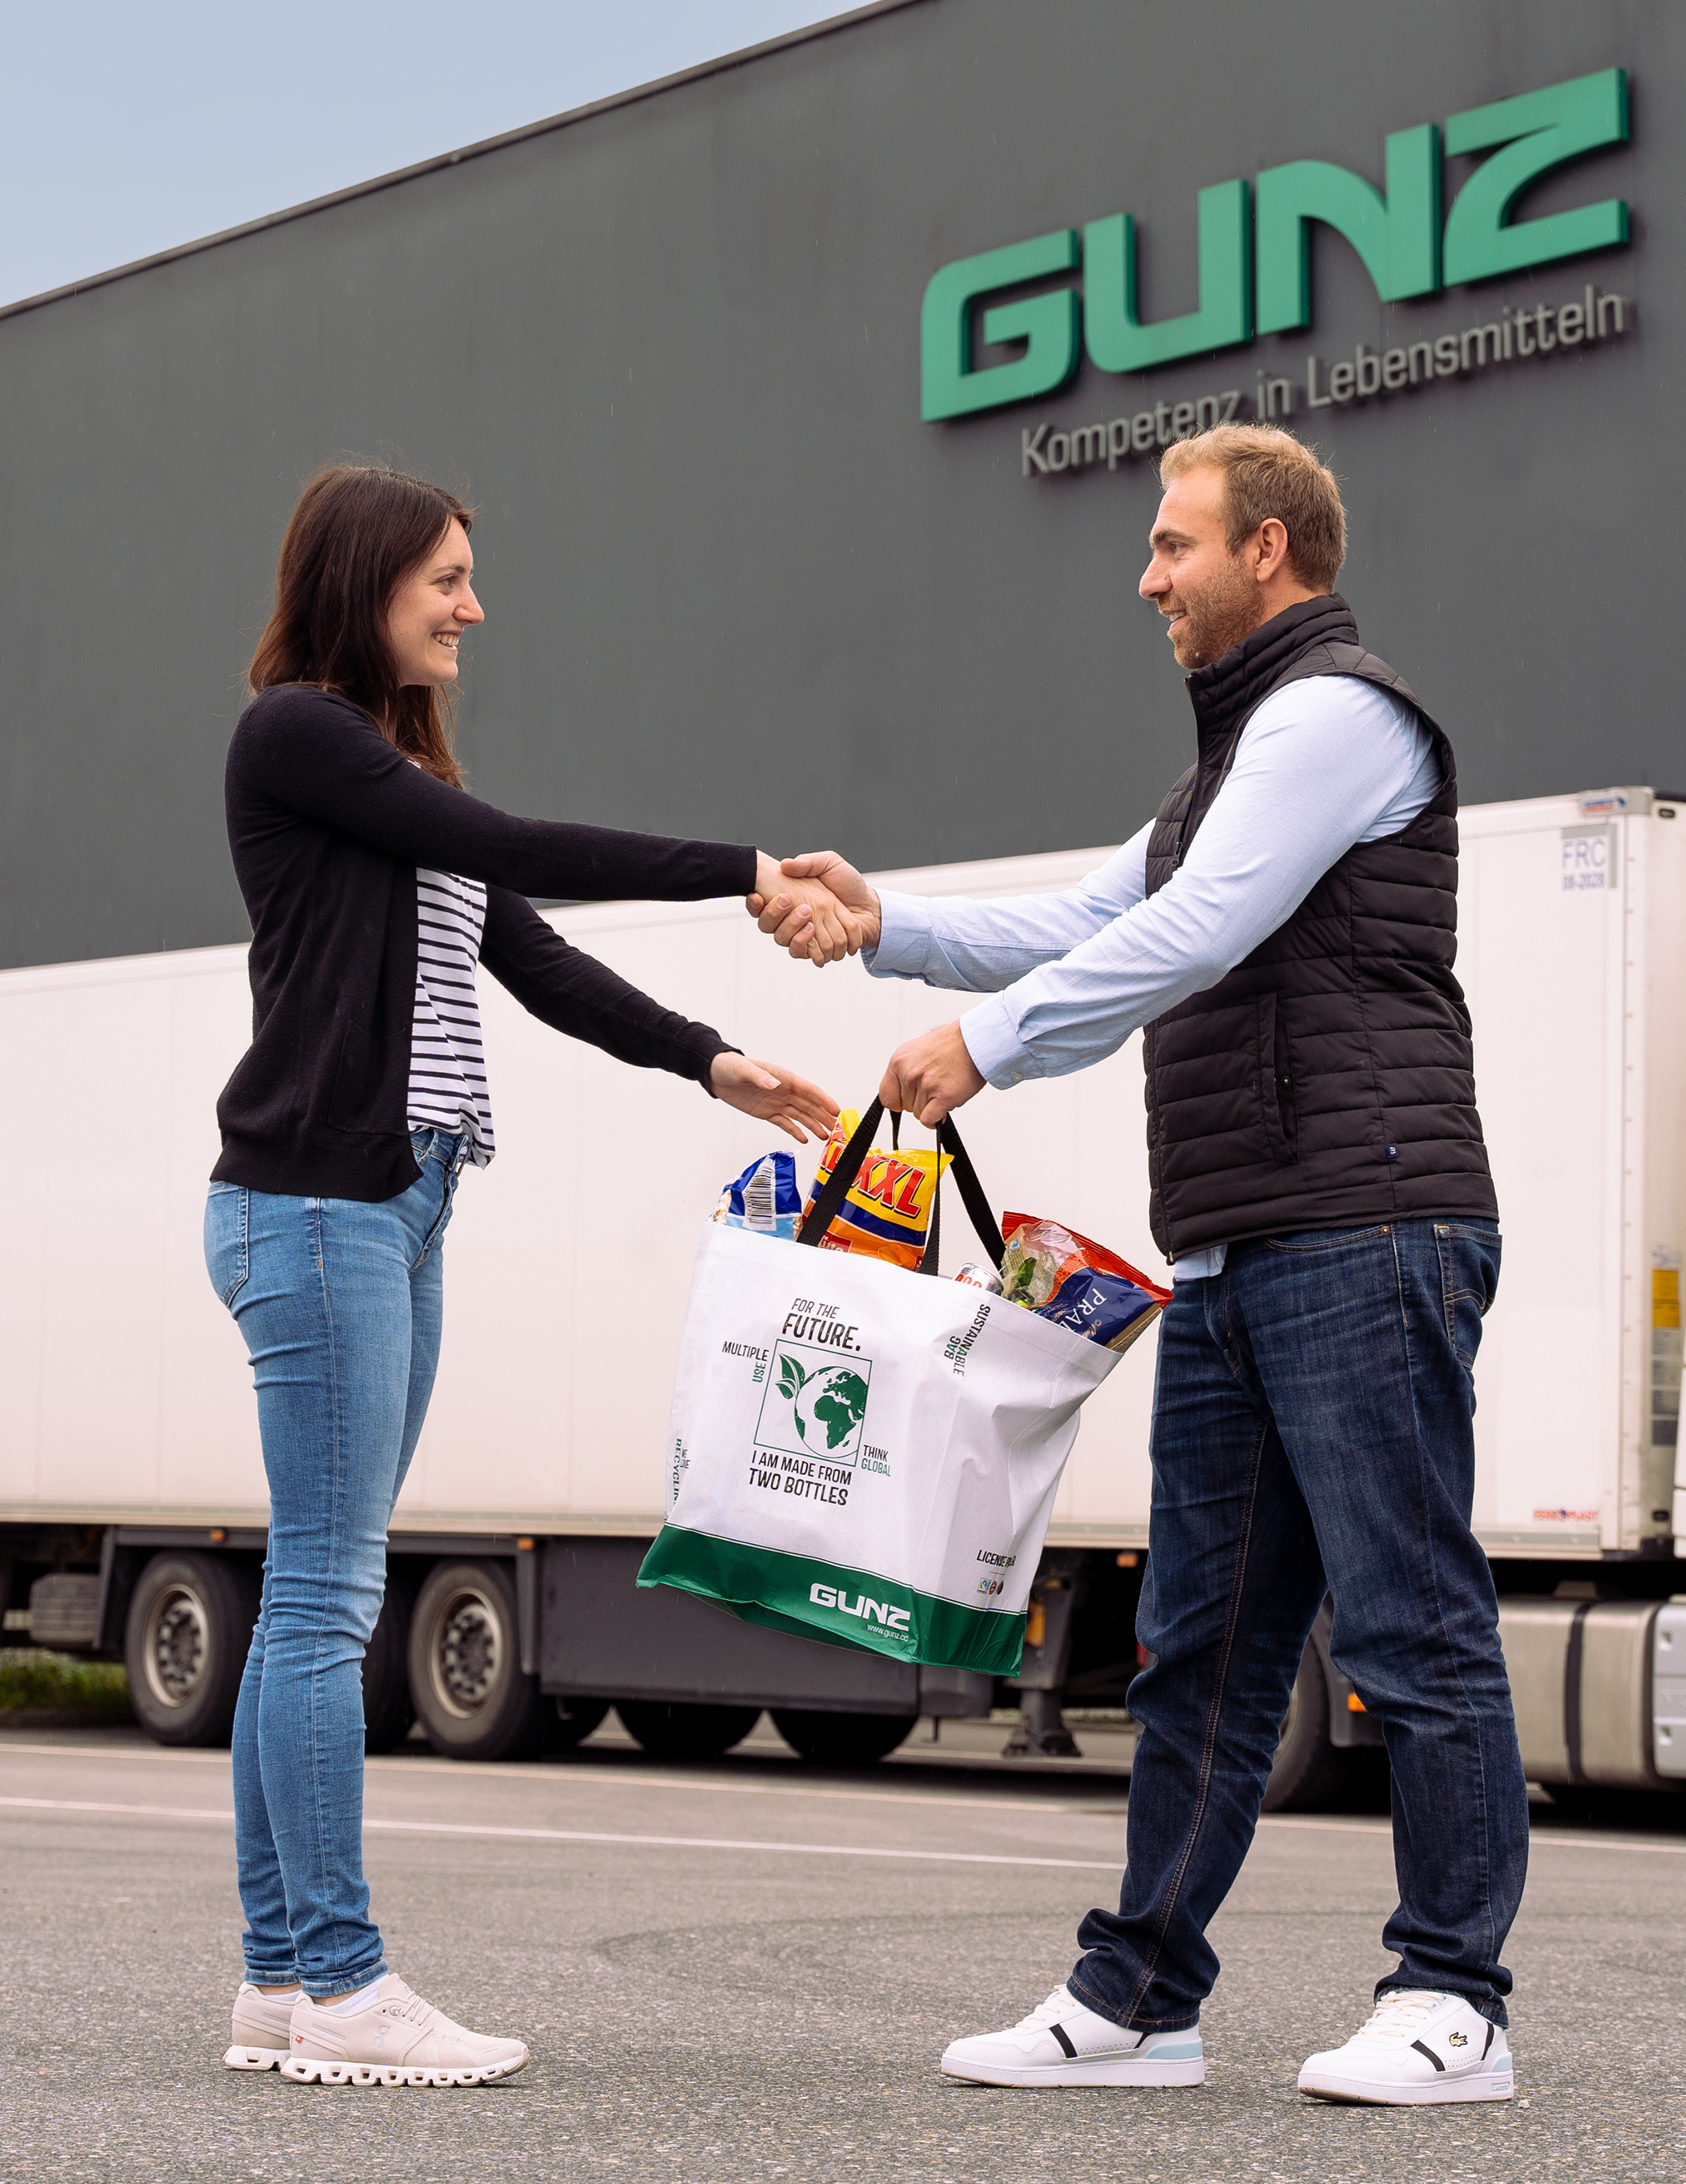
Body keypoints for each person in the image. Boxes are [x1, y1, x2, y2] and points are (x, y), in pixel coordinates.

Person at [750, 424, 1525, 2107]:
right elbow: (1093, 914)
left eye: (1171, 545)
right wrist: (886, 925)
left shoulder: (1334, 718)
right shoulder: (1226, 767)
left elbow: (1194, 932)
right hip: (1245, 1249)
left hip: (1369, 1224)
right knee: (1197, 1648)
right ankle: (1135, 1999)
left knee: (1408, 1627)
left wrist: (986, 1048)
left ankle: (1453, 1996)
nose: (1143, 577)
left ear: (1268, 548)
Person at [212, 463, 842, 2089]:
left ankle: (282, 1984)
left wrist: (713, 1060)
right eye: (446, 578)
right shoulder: (299, 735)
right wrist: (744, 861)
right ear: (365, 580)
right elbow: (511, 843)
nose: (473, 606)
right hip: (318, 1203)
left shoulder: (384, 771)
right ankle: (342, 1983)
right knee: (328, 1602)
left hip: (394, 1201)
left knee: (307, 1595)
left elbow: (532, 952)